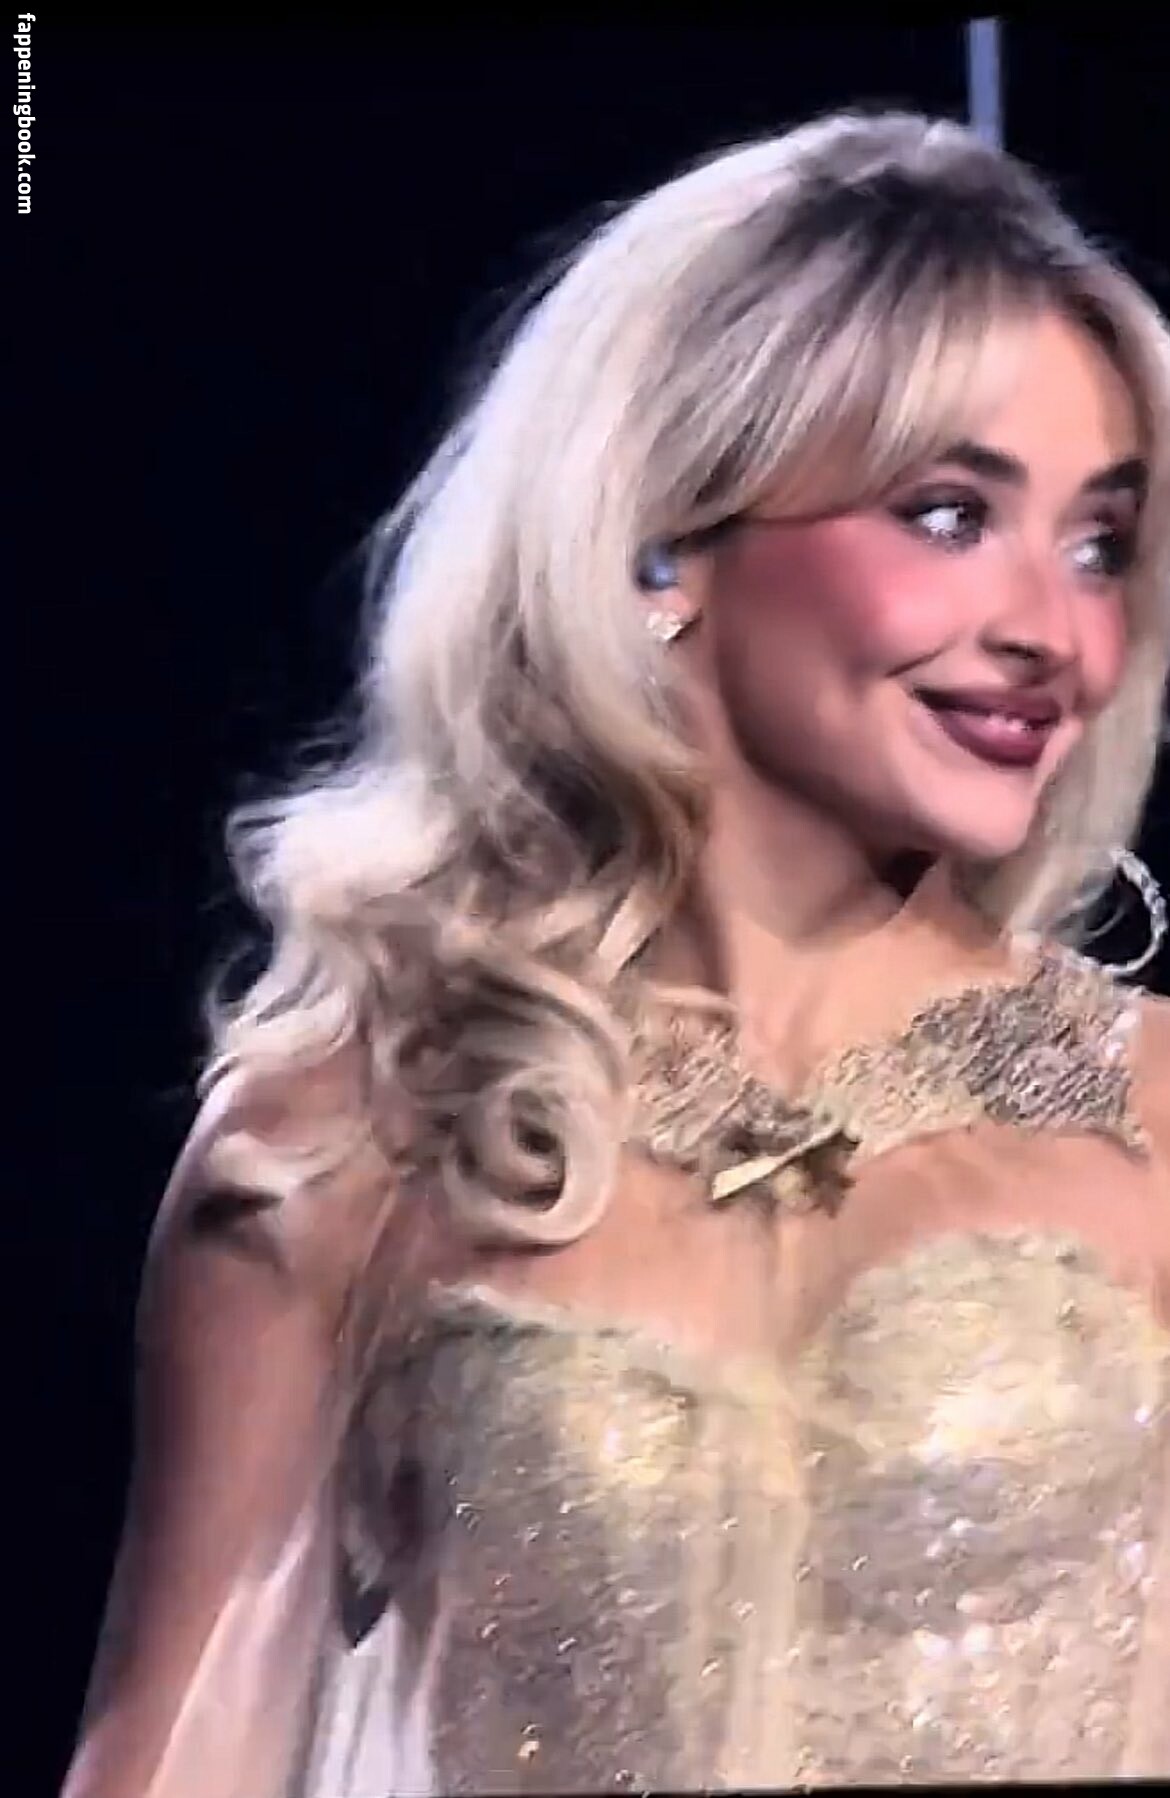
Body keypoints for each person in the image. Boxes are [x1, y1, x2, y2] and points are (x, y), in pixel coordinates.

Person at [64, 109, 1170, 1797]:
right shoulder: (343, 1142)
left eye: (1099, 543)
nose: (1053, 631)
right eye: (950, 515)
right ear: (664, 541)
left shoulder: (1150, 1117)